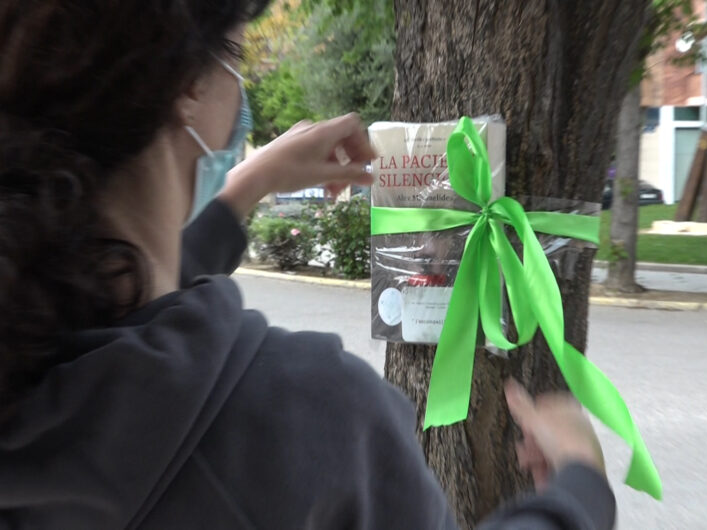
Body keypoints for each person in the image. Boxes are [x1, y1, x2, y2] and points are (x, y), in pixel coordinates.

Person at [0, 1, 615, 528]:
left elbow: (125, 323)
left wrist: (250, 183)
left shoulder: (30, 356)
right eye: (235, 58)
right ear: (186, 82)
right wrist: (578, 490)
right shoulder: (314, 417)